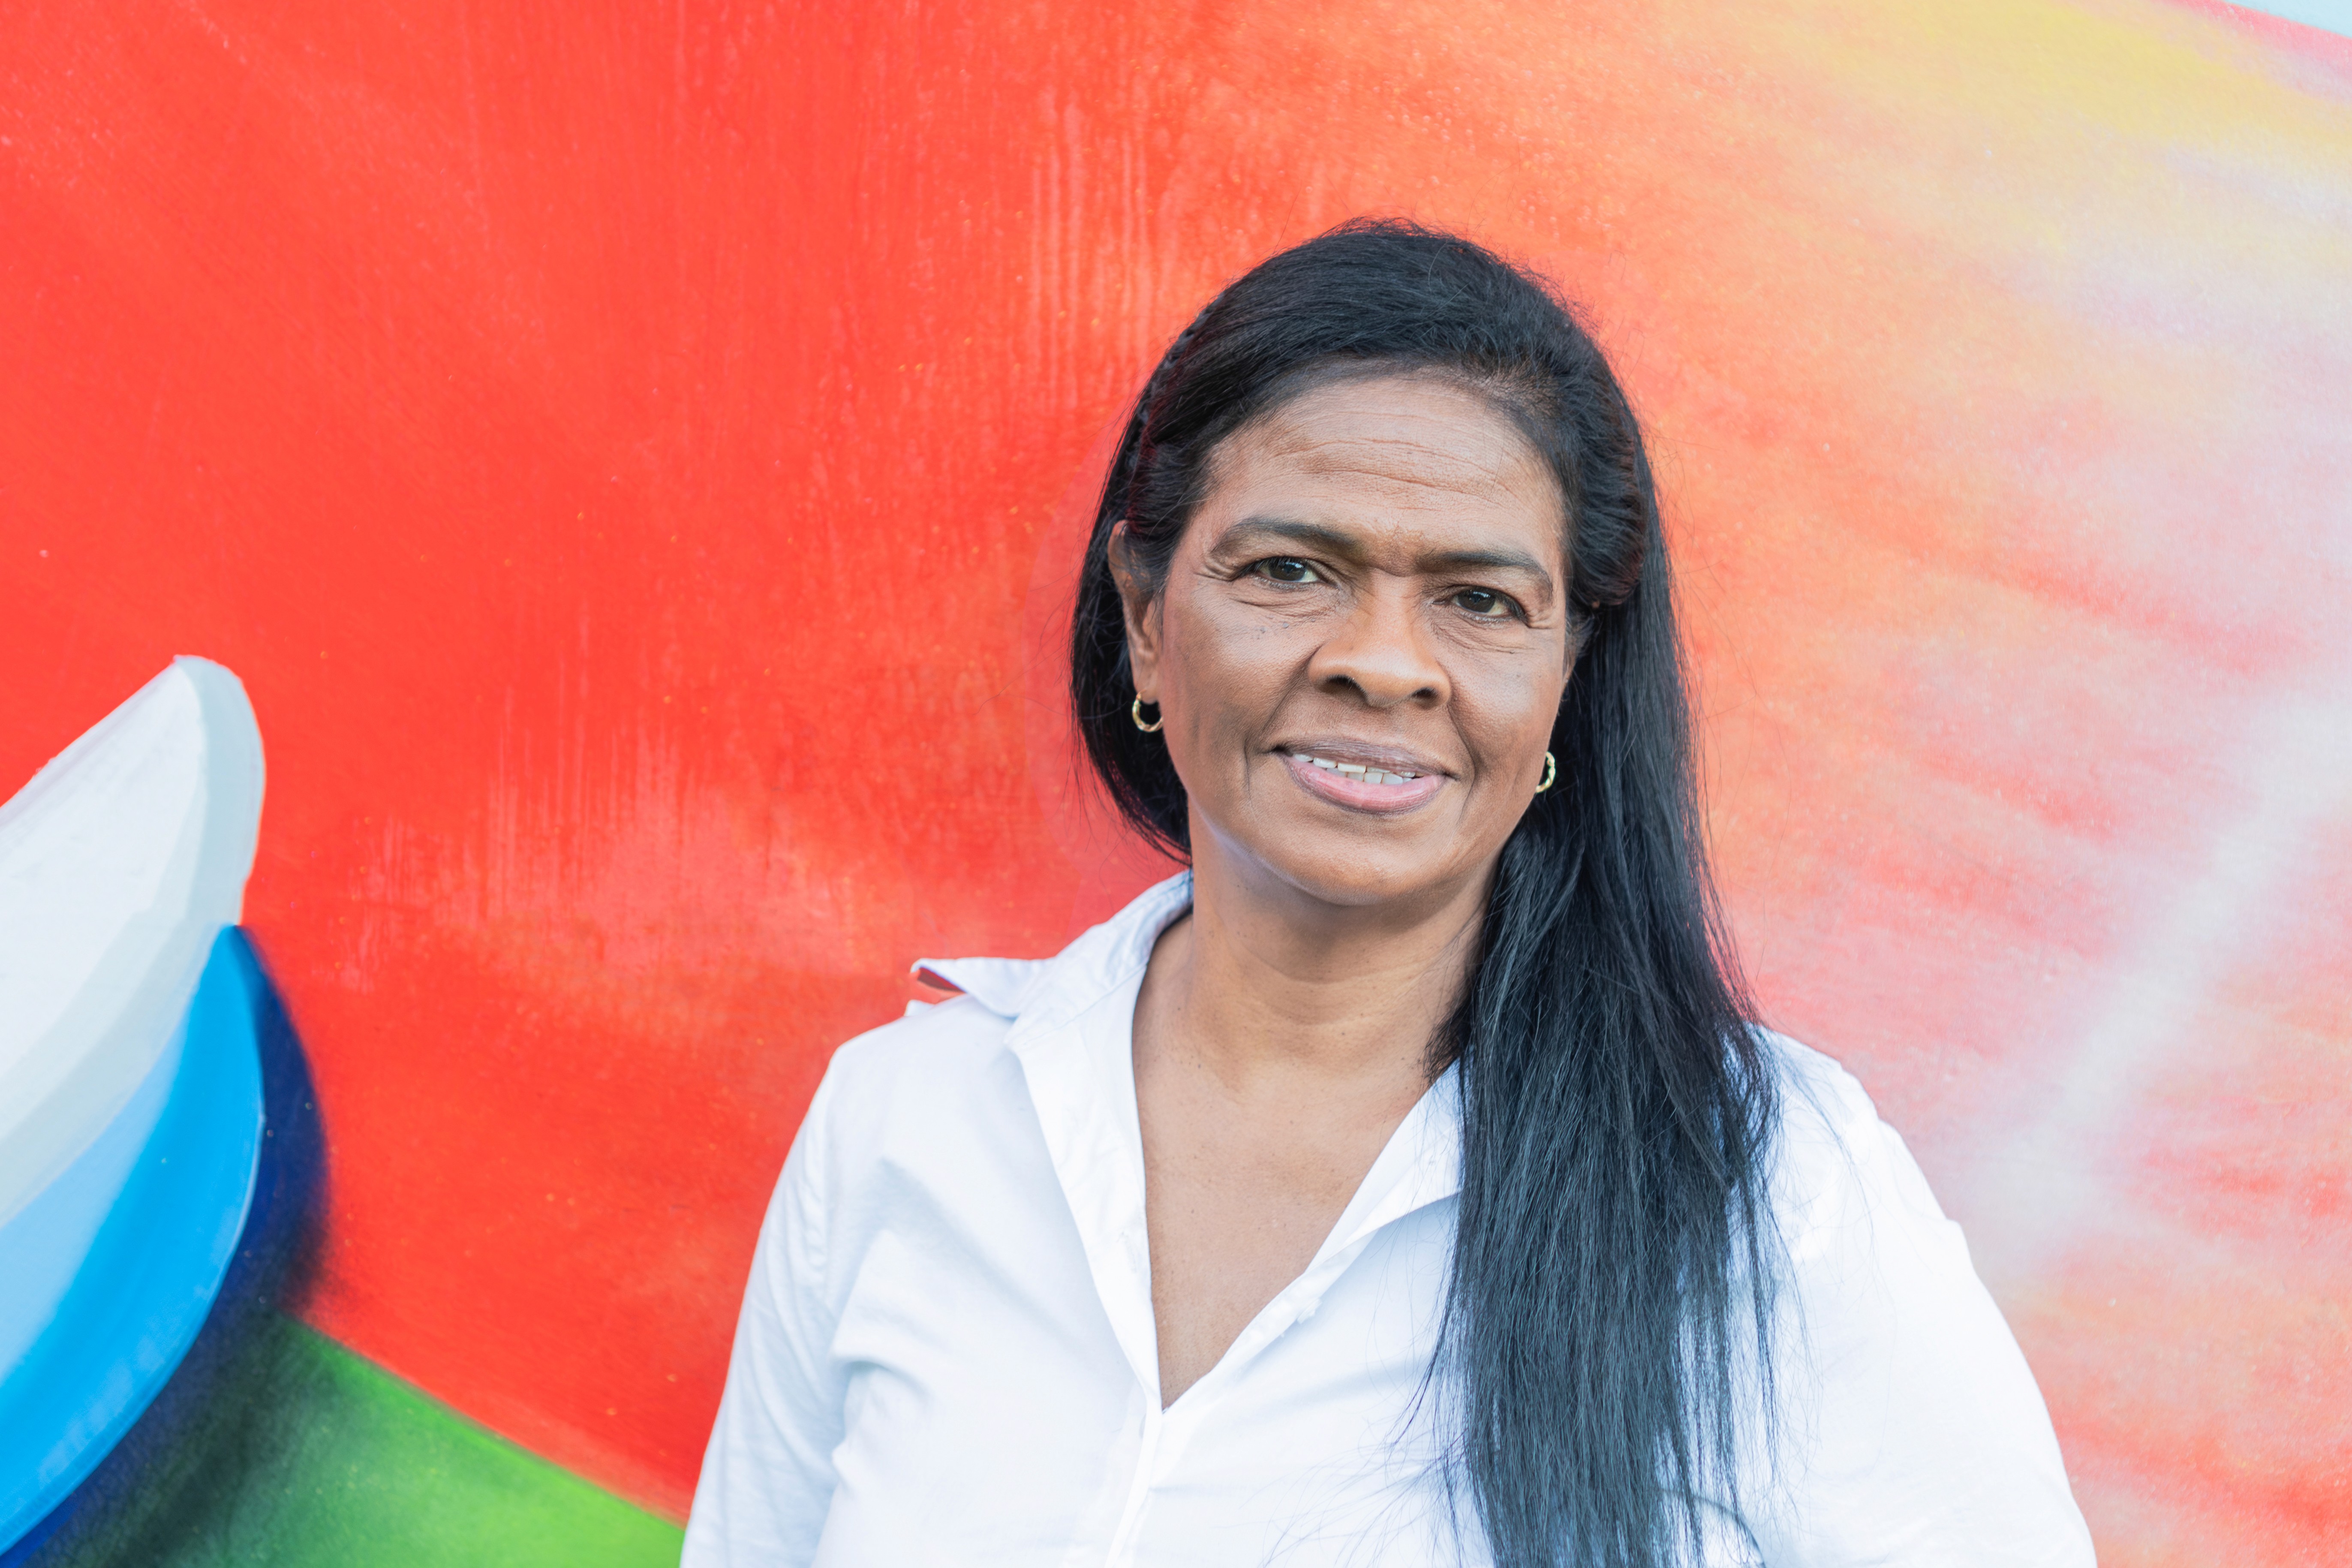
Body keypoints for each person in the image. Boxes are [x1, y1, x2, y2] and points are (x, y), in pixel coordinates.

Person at [681, 221, 2095, 1567]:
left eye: (1479, 601)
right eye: (1291, 570)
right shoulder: (908, 1122)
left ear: (1569, 672)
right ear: (1146, 616)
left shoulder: (1766, 1184)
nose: (1384, 661)